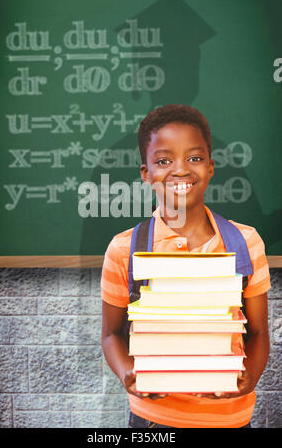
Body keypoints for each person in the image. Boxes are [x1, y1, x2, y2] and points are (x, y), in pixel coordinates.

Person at [101, 104, 271, 428]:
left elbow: (259, 333)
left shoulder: (245, 243)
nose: (180, 170)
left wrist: (250, 377)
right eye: (164, 161)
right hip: (154, 421)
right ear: (146, 173)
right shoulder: (124, 250)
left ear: (210, 167)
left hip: (230, 418)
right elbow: (110, 335)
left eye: (193, 158)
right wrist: (128, 375)